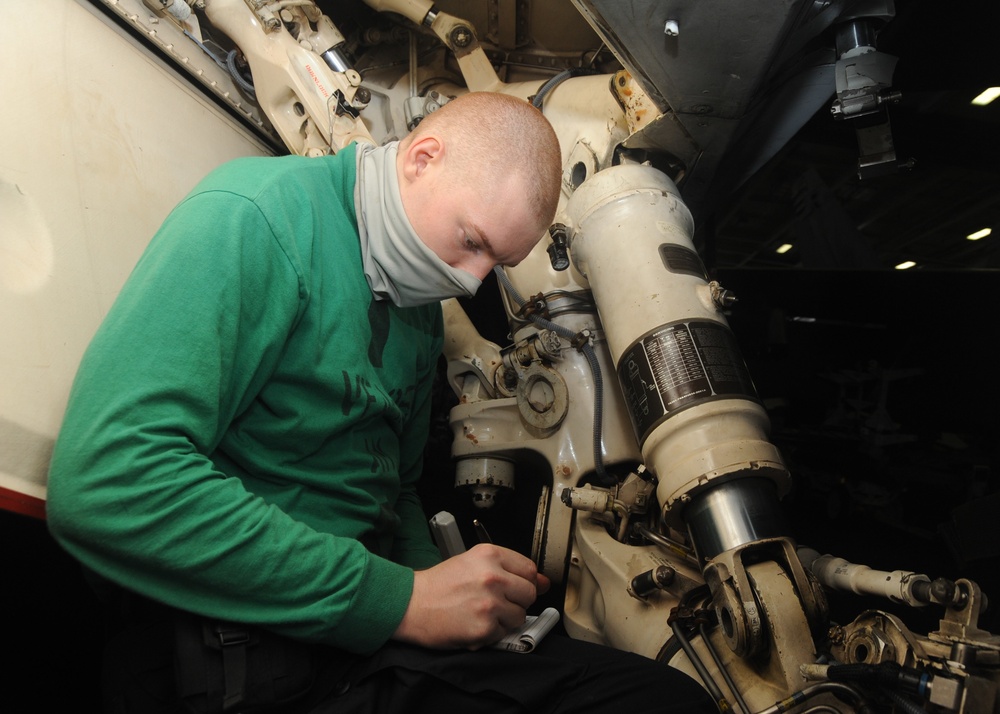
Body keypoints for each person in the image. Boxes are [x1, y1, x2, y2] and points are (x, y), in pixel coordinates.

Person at [46, 92, 717, 713]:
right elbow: (108, 478)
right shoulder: (255, 217)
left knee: (663, 694)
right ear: (423, 159)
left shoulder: (416, 304)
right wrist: (403, 601)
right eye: (472, 241)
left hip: (349, 636)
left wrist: (449, 597)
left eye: (495, 264)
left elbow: (390, 494)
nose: (469, 279)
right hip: (233, 648)